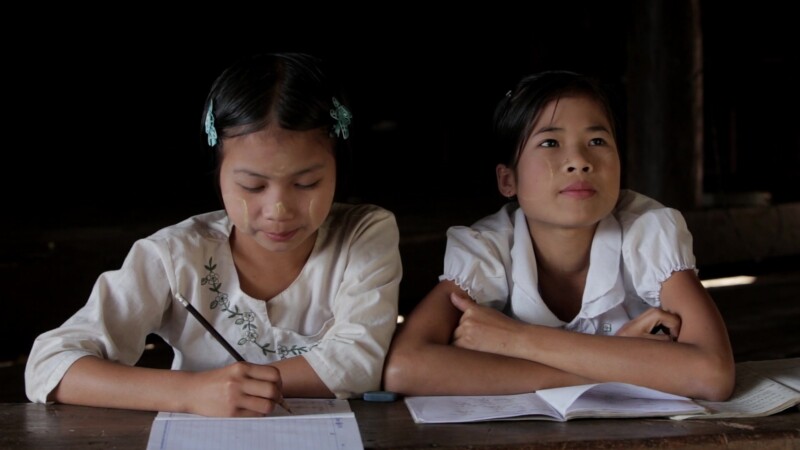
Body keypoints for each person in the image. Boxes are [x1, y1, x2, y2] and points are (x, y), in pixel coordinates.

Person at [25, 53, 402, 417]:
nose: (279, 210)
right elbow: (49, 365)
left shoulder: (364, 234)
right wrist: (190, 393)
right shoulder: (173, 255)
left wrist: (233, 388)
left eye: (307, 183)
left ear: (338, 167)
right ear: (219, 172)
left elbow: (357, 362)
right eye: (253, 186)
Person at [383, 70, 734, 401]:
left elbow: (712, 375)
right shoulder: (489, 249)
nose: (579, 161)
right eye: (550, 142)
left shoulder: (647, 233)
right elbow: (404, 367)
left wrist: (516, 340)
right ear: (508, 180)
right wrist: (629, 366)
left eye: (597, 140)